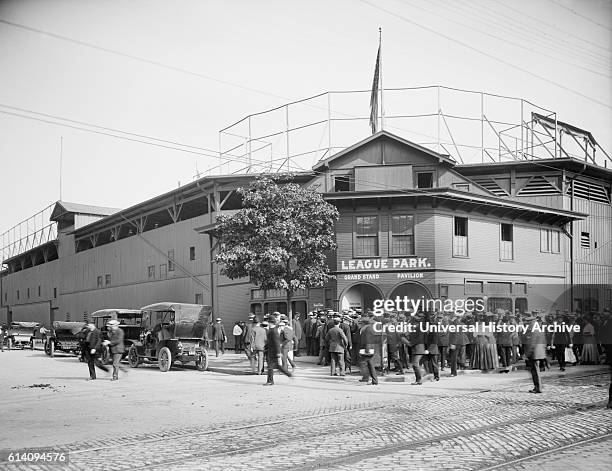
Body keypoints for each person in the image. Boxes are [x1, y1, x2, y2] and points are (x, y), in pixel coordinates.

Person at [263, 315, 292, 386]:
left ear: (270, 322)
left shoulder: (274, 331)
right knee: (277, 366)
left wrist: (278, 352)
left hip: (273, 351)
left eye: (268, 322)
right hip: (272, 351)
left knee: (270, 366)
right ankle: (288, 374)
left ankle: (270, 381)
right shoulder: (272, 330)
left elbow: (276, 342)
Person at [522, 313, 547, 393]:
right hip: (539, 353)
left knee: (535, 371)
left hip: (534, 354)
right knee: (536, 370)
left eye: (528, 322)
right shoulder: (538, 328)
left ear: (531, 322)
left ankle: (538, 387)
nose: (527, 324)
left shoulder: (532, 330)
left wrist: (526, 354)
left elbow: (531, 344)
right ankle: (539, 386)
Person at [358, 315, 378, 385]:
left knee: (365, 364)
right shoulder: (367, 328)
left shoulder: (367, 329)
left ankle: (369, 379)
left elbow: (368, 340)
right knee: (369, 364)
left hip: (367, 349)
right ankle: (370, 379)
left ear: (364, 323)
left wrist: (367, 349)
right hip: (367, 348)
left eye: (361, 323)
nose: (359, 324)